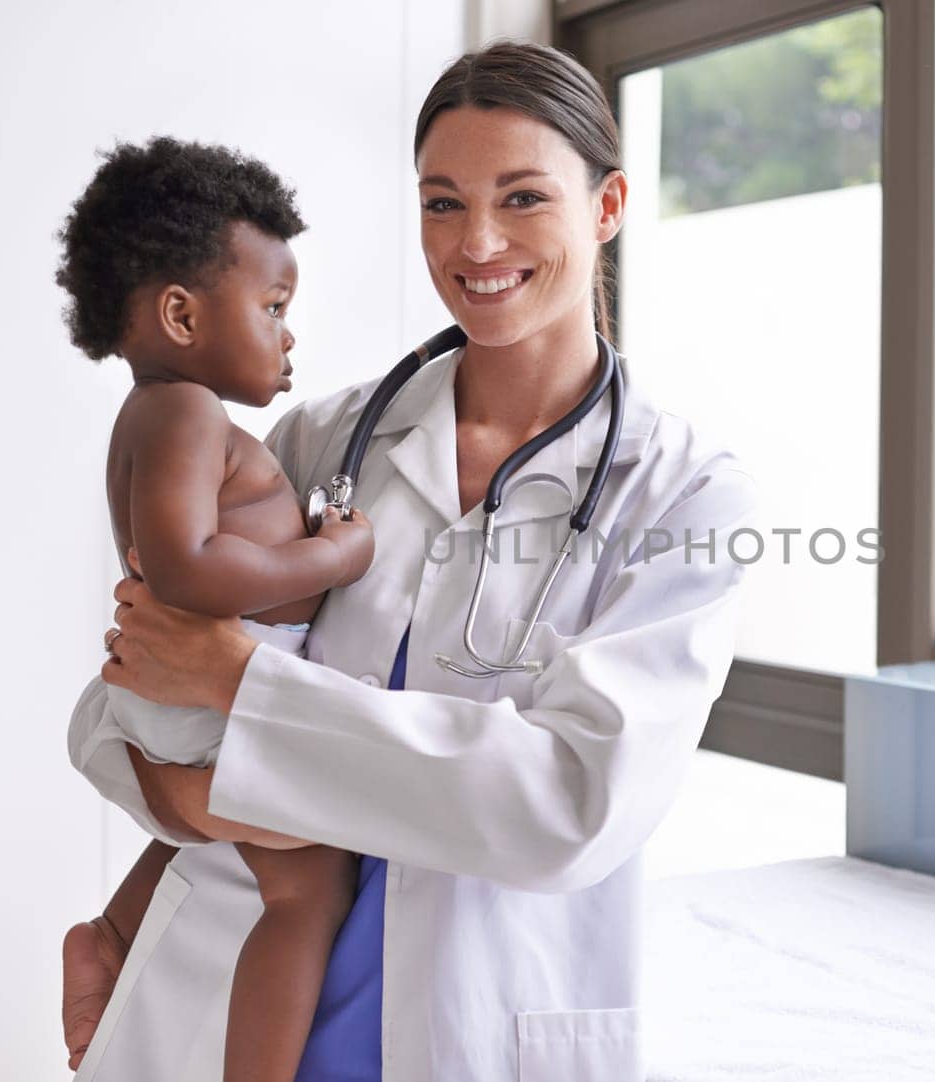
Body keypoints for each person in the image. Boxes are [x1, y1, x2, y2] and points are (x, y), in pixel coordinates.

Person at [66, 41, 758, 1081]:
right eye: (442, 203)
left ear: (607, 205)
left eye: (523, 197)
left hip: (477, 1028)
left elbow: (571, 805)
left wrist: (248, 692)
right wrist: (181, 804)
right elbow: (124, 698)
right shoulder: (321, 443)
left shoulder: (683, 491)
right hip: (232, 1005)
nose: (476, 242)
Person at [54, 138, 376, 1080]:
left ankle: (112, 929)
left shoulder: (170, 416)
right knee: (307, 887)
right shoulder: (186, 415)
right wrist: (333, 552)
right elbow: (185, 568)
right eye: (273, 307)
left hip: (186, 693)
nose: (288, 335)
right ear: (182, 314)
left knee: (233, 838)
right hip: (197, 690)